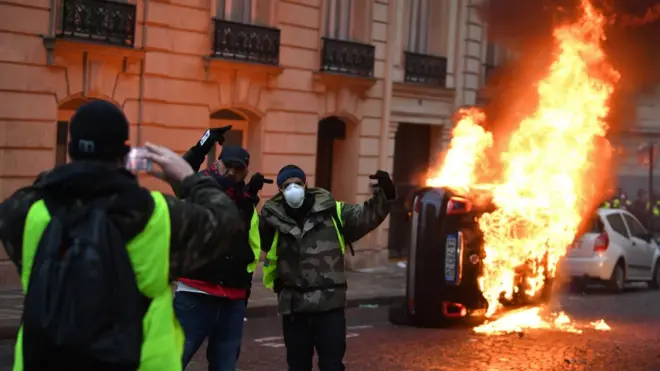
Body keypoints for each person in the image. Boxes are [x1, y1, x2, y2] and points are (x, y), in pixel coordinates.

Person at [0, 100, 244, 371]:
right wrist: (188, 177)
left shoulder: (26, 212)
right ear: (125, 154)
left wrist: (69, 175)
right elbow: (227, 223)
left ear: (70, 150)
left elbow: (32, 191)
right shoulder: (158, 214)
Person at [260, 164, 396, 371]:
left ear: (306, 185)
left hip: (329, 306)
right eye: (287, 185)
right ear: (280, 190)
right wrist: (247, 199)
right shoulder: (271, 218)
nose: (293, 189)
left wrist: (385, 193)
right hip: (295, 307)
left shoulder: (332, 210)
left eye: (298, 183)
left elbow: (366, 215)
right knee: (297, 365)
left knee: (331, 365)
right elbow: (249, 235)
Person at [173, 130, 269, 371]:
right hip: (196, 293)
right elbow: (180, 172)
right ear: (217, 163)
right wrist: (205, 141)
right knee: (172, 361)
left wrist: (244, 286)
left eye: (239, 169)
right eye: (228, 166)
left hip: (232, 299)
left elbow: (249, 245)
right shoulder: (200, 187)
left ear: (245, 171)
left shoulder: (245, 198)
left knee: (225, 365)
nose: (232, 172)